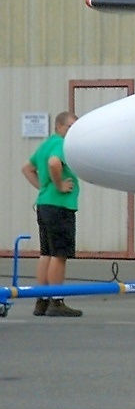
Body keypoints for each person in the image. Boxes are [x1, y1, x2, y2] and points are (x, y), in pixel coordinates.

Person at [21, 112, 80, 317]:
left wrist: (43, 188)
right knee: (59, 254)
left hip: (45, 204)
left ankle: (41, 300)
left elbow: (27, 168)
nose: (74, 131)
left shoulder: (45, 144)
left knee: (46, 253)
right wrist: (59, 186)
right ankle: (57, 300)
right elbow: (54, 163)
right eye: (71, 126)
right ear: (59, 126)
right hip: (59, 206)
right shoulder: (60, 145)